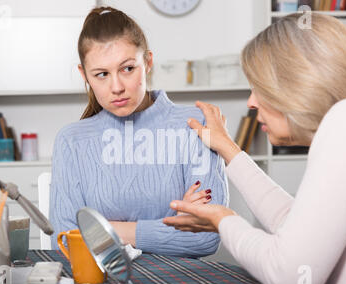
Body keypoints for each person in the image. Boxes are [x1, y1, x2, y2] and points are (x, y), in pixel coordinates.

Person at [164, 13, 346, 284]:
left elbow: (292, 276)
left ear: (296, 83)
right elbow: (299, 229)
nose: (251, 103)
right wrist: (228, 148)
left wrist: (222, 219)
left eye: (259, 88)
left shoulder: (345, 121)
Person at [49, 6, 229, 257]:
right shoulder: (72, 141)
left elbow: (206, 238)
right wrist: (171, 223)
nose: (117, 87)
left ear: (148, 62)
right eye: (101, 74)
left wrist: (104, 230)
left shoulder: (194, 125)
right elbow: (66, 243)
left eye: (127, 69)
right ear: (85, 76)